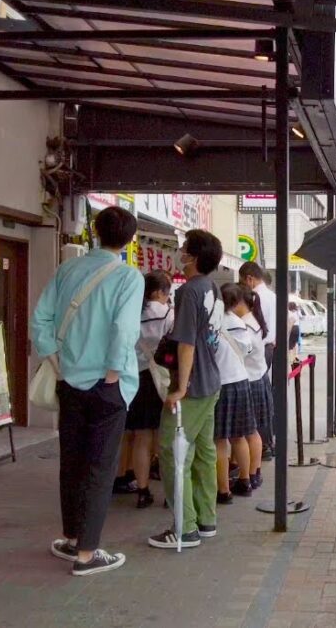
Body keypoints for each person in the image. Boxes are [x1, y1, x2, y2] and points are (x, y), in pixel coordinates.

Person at [31, 206, 144, 576]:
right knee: (100, 467)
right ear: (129, 239)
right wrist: (113, 371)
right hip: (107, 386)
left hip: (68, 381)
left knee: (72, 461)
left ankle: (71, 538)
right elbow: (124, 329)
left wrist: (54, 360)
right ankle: (87, 554)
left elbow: (40, 319)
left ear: (96, 231)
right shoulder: (129, 276)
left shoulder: (67, 269)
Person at [149, 229, 224, 550]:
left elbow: (186, 343)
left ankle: (184, 528)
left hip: (192, 387)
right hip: (211, 381)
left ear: (192, 257)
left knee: (172, 450)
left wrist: (180, 387)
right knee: (203, 452)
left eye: (184, 248)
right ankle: (206, 519)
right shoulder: (212, 288)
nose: (179, 253)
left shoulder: (189, 291)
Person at [126, 270, 174, 509]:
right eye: (166, 293)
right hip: (162, 379)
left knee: (141, 437)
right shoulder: (168, 314)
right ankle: (169, 494)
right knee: (166, 438)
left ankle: (143, 491)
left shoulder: (132, 313)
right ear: (158, 292)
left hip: (137, 378)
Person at [213, 283, 258, 503]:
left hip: (219, 384)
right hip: (240, 381)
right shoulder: (238, 323)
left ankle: (223, 491)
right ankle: (245, 481)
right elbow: (248, 349)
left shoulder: (212, 321)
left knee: (220, 440)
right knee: (239, 436)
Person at [229, 284, 270, 490]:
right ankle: (253, 472)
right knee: (251, 431)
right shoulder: (254, 320)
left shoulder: (243, 325)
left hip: (250, 381)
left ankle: (252, 473)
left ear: (240, 302)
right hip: (258, 378)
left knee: (249, 432)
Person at [238, 262, 276, 458]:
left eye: (242, 281)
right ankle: (266, 442)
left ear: (249, 279)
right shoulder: (272, 296)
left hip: (256, 350)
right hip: (269, 347)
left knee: (254, 399)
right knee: (263, 397)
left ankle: (262, 444)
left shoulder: (254, 297)